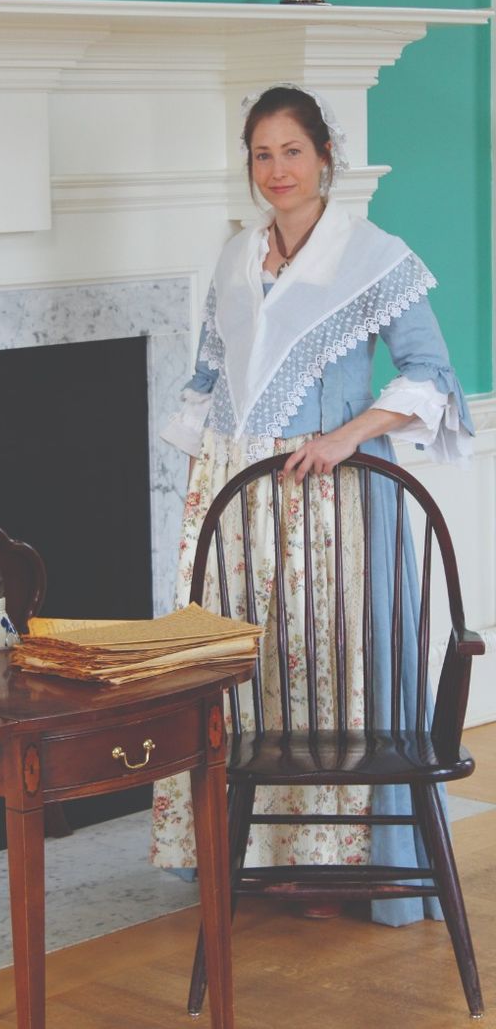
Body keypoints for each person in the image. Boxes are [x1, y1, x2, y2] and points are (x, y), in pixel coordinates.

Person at [152, 83, 474, 927]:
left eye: (292, 150)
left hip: (323, 498)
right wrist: (203, 479)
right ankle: (252, 851)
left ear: (325, 156)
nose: (277, 169)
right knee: (245, 675)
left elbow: (429, 375)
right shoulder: (234, 256)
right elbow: (209, 372)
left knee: (321, 670)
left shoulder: (372, 256)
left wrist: (343, 437)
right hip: (234, 494)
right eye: (262, 153)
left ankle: (336, 859)